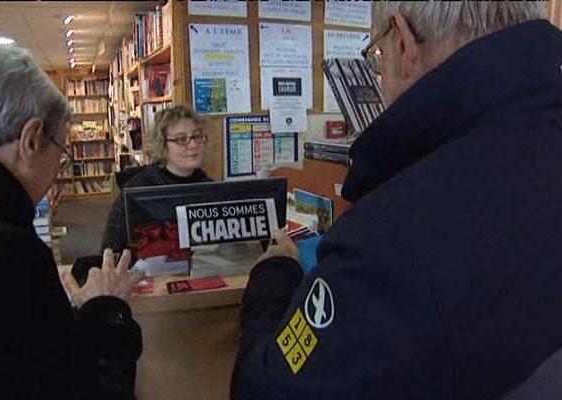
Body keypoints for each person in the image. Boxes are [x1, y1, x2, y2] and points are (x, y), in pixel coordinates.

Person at [231, 2, 562, 399]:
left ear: (404, 44)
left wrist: (274, 278)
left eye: (378, 55)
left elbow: (269, 390)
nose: (380, 78)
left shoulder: (386, 243)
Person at [0, 37, 145, 399]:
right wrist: (106, 308)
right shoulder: (6, 254)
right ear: (31, 140)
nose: (60, 166)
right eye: (62, 150)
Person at [101, 105, 213, 253]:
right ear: (162, 145)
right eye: (181, 139)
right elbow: (109, 253)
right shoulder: (137, 191)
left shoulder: (211, 190)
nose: (193, 145)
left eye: (197, 137)